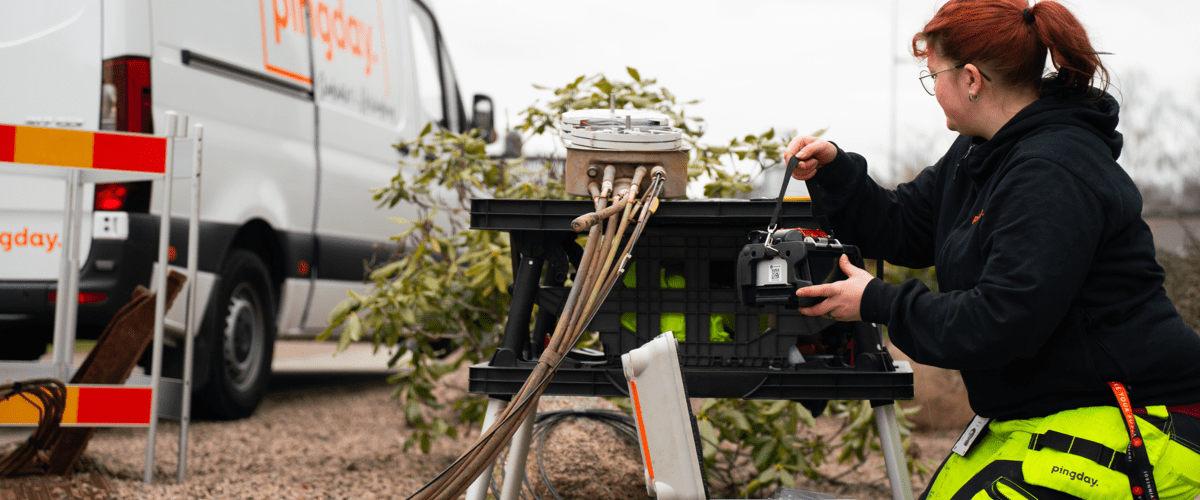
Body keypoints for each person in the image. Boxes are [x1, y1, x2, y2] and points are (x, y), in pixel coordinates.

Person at [783, 0, 1200, 498]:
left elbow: (1001, 321)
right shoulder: (981, 152)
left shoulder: (1052, 172)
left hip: (1132, 416)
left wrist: (877, 300)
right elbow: (904, 226)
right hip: (1036, 412)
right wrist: (837, 172)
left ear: (972, 79)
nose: (933, 90)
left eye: (933, 75)